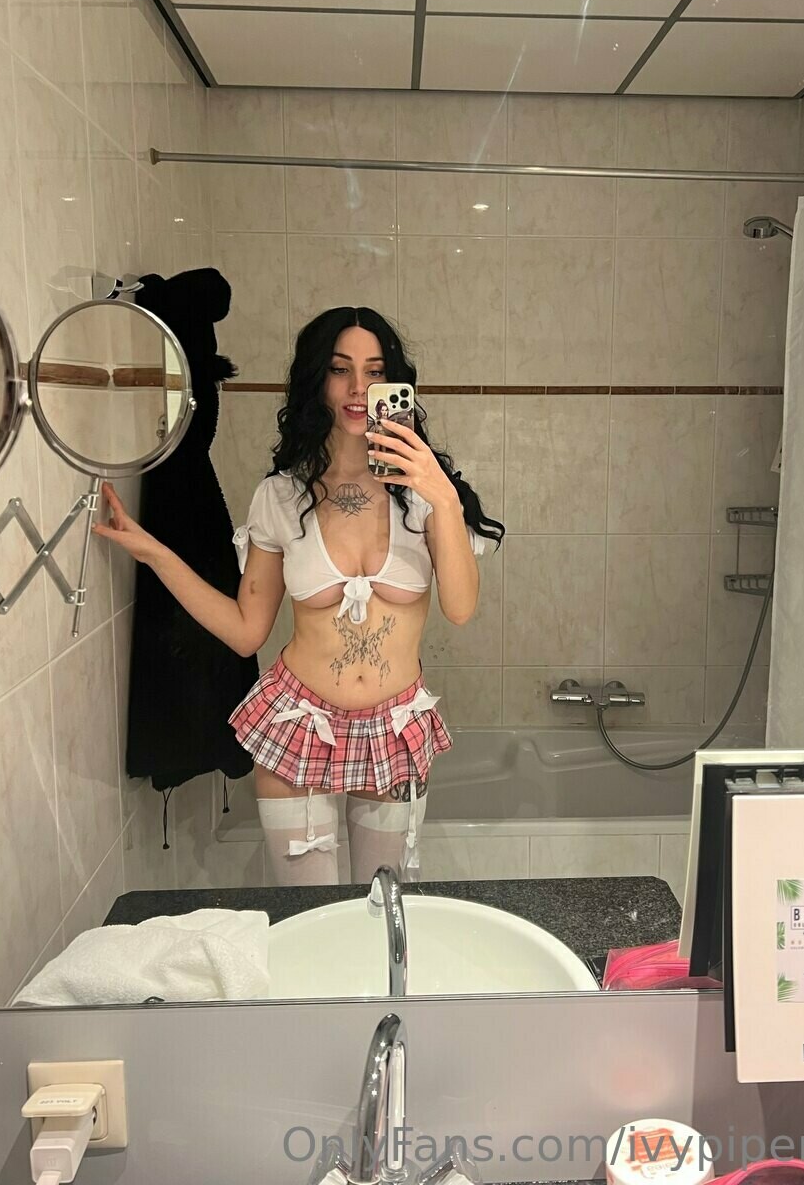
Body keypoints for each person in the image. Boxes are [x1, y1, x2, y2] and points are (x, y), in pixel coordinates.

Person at [95, 306, 504, 886]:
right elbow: (246, 631)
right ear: (317, 380)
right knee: (310, 918)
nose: (358, 387)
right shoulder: (281, 496)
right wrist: (154, 553)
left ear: (395, 383)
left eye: (374, 371)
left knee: (383, 910)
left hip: (394, 729)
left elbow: (460, 608)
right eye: (340, 369)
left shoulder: (425, 497)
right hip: (299, 723)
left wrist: (442, 493)